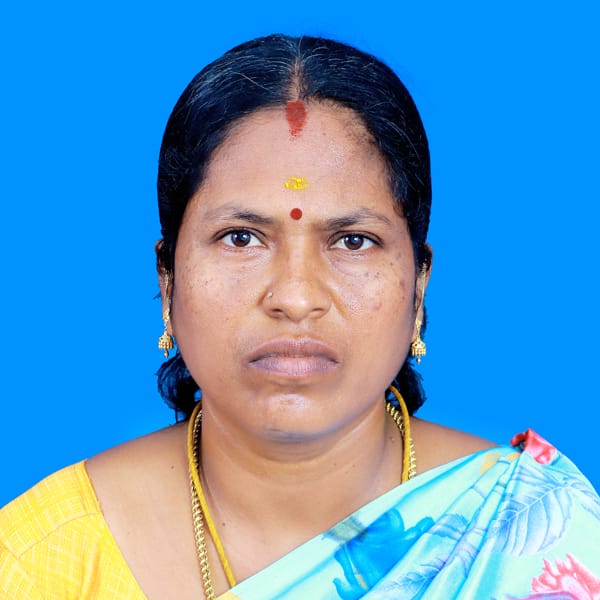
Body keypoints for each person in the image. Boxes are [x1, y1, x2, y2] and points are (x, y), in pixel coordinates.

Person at [1, 33, 599, 600]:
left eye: (353, 241)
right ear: (167, 280)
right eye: (240, 238)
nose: (294, 296)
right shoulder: (44, 559)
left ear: (419, 286)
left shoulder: (530, 530)